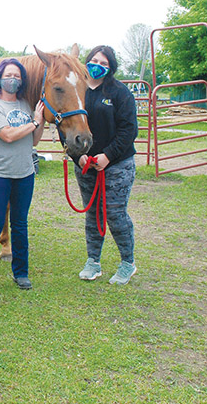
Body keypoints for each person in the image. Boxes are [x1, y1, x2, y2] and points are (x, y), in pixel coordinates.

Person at [0, 59, 45, 291]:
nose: (13, 79)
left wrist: (40, 121)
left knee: (20, 224)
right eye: (9, 75)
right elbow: (6, 135)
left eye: (17, 76)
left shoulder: (27, 105)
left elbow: (33, 140)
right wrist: (35, 122)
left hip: (24, 173)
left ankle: (21, 272)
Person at [75, 45, 138, 285]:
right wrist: (76, 155)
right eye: (94, 61)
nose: (98, 66)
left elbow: (129, 129)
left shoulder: (120, 93)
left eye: (104, 63)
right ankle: (93, 261)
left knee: (114, 213)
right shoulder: (78, 91)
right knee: (92, 213)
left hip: (117, 164)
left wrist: (108, 156)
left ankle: (127, 262)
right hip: (86, 164)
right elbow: (67, 124)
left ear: (110, 67)